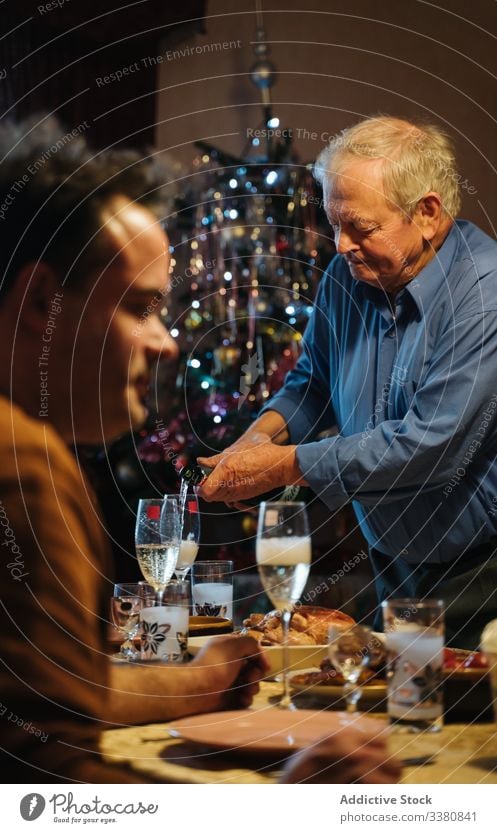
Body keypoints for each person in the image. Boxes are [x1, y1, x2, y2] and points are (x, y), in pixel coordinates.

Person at [0, 117, 398, 786]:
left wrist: (195, 681)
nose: (167, 343)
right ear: (42, 300)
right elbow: (46, 784)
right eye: (143, 307)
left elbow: (43, 692)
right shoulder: (23, 465)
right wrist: (286, 805)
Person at [199, 115, 497, 650]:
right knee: (395, 723)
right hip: (392, 561)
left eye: (361, 226)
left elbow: (430, 445)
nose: (341, 244)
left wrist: (285, 465)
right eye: (334, 223)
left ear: (427, 213)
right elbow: (312, 383)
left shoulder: (484, 294)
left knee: (454, 730)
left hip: (480, 573)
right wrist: (258, 439)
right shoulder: (349, 274)